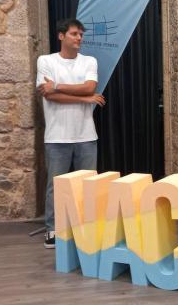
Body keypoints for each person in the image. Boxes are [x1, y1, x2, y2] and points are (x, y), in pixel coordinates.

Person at [36, 18, 106, 249]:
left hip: (86, 135)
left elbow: (90, 87)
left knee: (88, 185)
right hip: (57, 136)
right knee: (55, 186)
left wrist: (56, 85)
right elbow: (49, 96)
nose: (79, 38)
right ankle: (52, 230)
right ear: (61, 36)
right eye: (75, 34)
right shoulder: (45, 61)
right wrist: (85, 99)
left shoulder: (89, 61)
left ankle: (86, 228)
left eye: (81, 35)